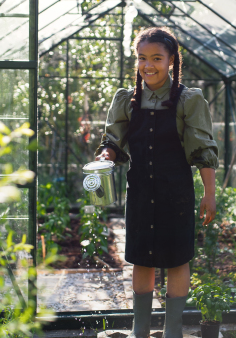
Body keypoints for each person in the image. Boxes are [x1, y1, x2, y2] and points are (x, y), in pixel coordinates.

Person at [95, 27, 218, 338]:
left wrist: (209, 195)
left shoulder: (188, 100)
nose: (148, 65)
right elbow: (114, 141)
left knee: (177, 260)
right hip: (139, 191)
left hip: (175, 192)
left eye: (156, 58)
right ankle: (140, 330)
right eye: (142, 58)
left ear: (171, 61)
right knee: (142, 259)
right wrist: (105, 156)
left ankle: (172, 330)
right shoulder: (126, 99)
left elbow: (203, 150)